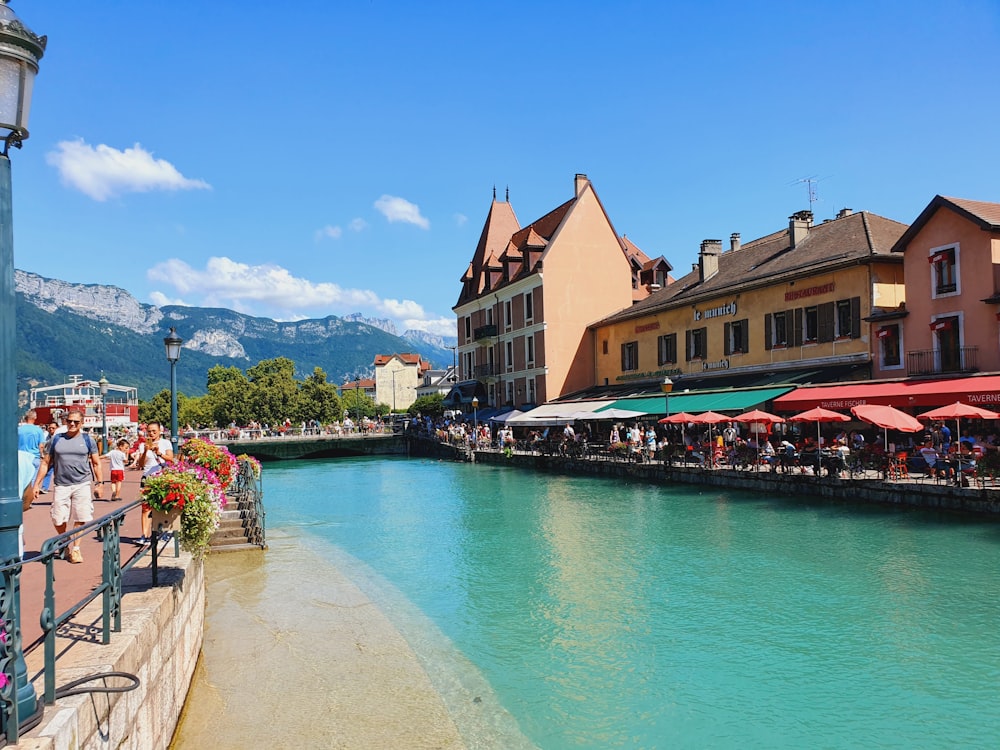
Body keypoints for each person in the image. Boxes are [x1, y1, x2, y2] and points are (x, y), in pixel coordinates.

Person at [30, 409, 102, 564]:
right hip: (61, 484)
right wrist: (36, 484)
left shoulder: (88, 440)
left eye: (76, 422)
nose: (72, 424)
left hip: (82, 483)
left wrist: (99, 483)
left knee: (81, 516)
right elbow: (45, 463)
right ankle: (65, 540)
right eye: (69, 421)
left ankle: (76, 549)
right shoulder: (56, 439)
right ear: (65, 421)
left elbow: (96, 463)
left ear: (81, 423)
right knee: (57, 518)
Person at [134, 421, 175, 545]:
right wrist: (146, 451)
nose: (151, 434)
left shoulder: (165, 443)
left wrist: (159, 453)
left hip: (162, 477)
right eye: (149, 431)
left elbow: (171, 460)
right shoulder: (143, 445)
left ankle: (162, 532)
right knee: (146, 507)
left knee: (163, 505)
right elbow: (141, 464)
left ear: (159, 431)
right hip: (148, 477)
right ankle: (144, 535)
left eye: (154, 431)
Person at [18, 409, 46, 480]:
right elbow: (41, 446)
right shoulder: (38, 430)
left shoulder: (19, 430)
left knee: (22, 478)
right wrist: (42, 455)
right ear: (35, 418)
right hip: (34, 457)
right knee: (33, 479)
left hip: (21, 457)